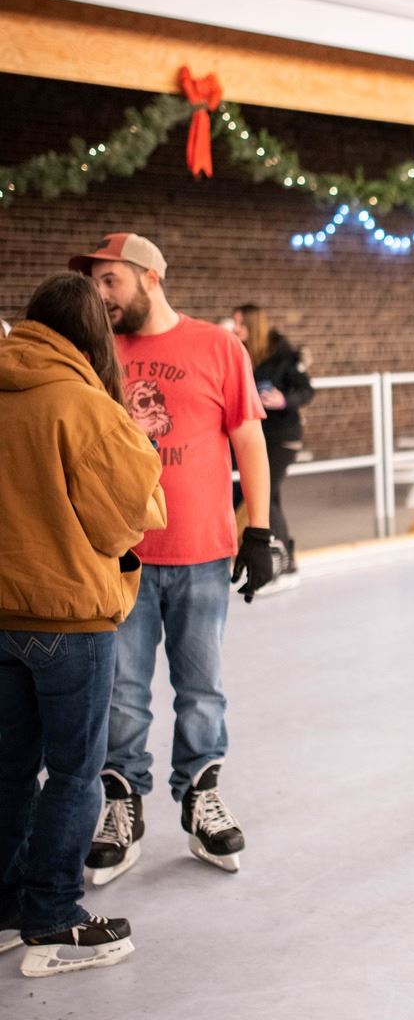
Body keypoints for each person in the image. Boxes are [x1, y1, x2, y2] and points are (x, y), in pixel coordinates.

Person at [72, 233, 276, 886]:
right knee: (122, 696)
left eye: (111, 282)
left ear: (149, 279)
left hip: (202, 555)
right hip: (119, 556)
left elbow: (248, 437)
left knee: (202, 691)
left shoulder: (218, 347)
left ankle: (200, 800)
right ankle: (122, 806)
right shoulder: (97, 352)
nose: (101, 296)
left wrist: (260, 531)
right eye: (95, 283)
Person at [0, 275, 165, 977]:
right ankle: (54, 918)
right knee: (75, 774)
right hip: (69, 616)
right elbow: (130, 511)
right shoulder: (83, 405)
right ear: (92, 333)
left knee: (7, 772)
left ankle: (7, 909)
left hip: (1, 612)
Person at [231, 303, 314, 588]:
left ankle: (283, 562)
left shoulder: (285, 355)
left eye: (240, 325)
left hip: (284, 437)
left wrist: (282, 400)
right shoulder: (243, 355)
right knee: (272, 497)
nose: (236, 330)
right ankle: (286, 563)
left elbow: (306, 390)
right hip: (259, 438)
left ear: (254, 327)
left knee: (264, 495)